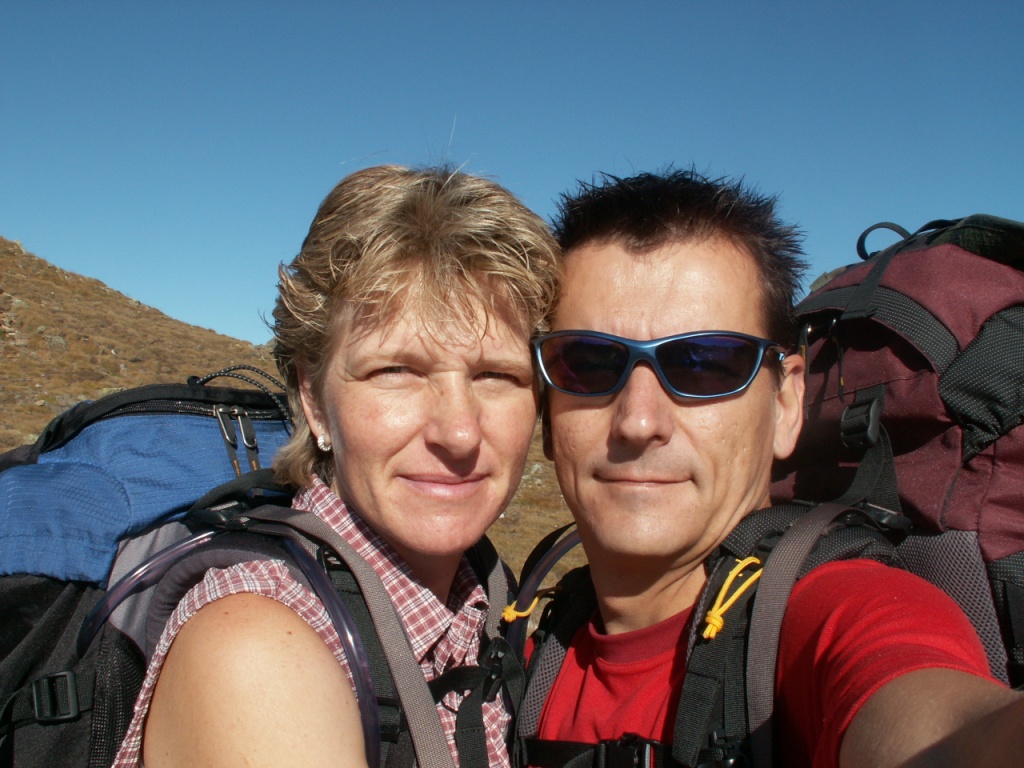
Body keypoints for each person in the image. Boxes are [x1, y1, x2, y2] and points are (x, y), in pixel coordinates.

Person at [521, 169, 1024, 767]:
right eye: (588, 362)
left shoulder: (841, 615)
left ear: (786, 404)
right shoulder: (528, 653)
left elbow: (944, 728)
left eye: (705, 364)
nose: (638, 421)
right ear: (546, 409)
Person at [112, 165, 561, 768]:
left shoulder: (485, 595)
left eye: (496, 375)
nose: (458, 431)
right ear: (314, 400)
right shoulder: (257, 649)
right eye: (396, 371)